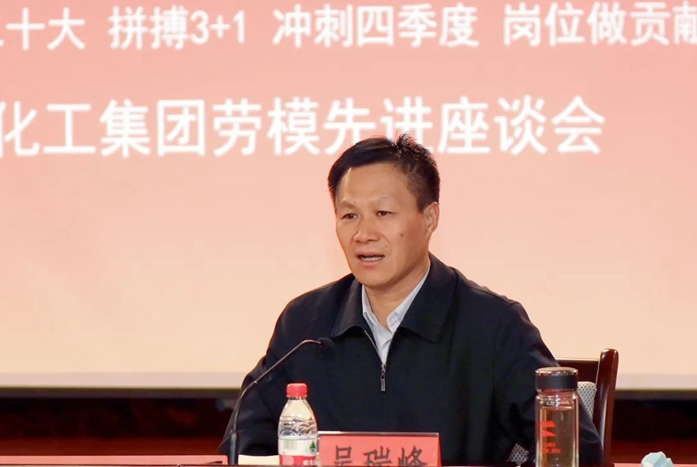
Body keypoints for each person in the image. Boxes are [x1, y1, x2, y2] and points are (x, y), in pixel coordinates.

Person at [220, 133, 604, 465]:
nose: (364, 234)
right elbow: (243, 444)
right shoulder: (305, 322)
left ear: (430, 218)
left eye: (383, 212)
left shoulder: (492, 324)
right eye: (349, 216)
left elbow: (577, 452)